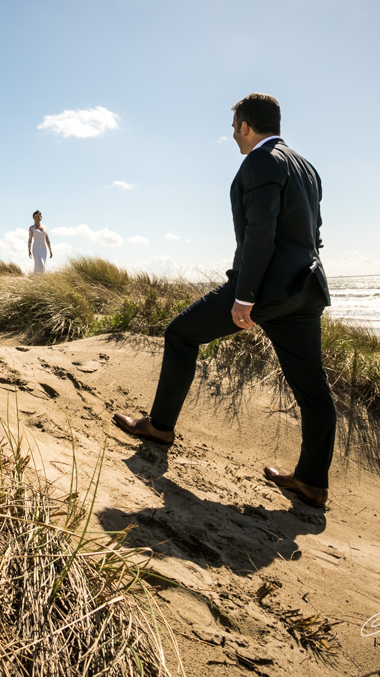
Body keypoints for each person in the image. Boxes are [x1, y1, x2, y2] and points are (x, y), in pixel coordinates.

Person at [112, 93, 337, 509]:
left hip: (266, 291)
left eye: (234, 127)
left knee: (180, 333)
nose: (233, 135)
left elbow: (260, 233)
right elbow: (314, 231)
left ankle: (160, 427)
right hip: (305, 290)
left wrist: (245, 297)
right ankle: (312, 482)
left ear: (246, 127)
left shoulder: (261, 161)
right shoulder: (307, 166)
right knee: (313, 389)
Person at [27, 210, 53, 274]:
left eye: (38, 216)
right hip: (36, 249)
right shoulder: (32, 228)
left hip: (44, 249)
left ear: (41, 217)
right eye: (35, 217)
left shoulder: (45, 227)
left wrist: (50, 250)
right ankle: (36, 280)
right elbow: (30, 239)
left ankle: (39, 281)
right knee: (40, 265)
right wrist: (29, 251)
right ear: (33, 218)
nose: (37, 218)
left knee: (42, 266)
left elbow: (47, 240)